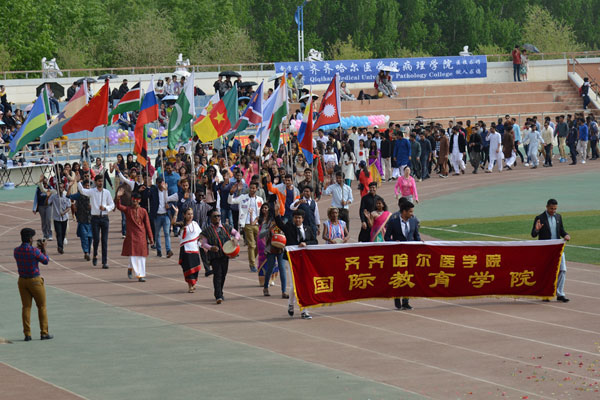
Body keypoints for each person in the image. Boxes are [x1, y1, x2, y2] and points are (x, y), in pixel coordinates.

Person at [272, 205, 318, 319]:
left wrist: (306, 243)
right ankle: (291, 305)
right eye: (296, 217)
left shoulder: (308, 229)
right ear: (293, 218)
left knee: (305, 285)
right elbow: (280, 224)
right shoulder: (289, 227)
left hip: (305, 261)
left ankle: (304, 310)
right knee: (294, 285)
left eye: (299, 218)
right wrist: (277, 214)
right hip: (291, 260)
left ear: (303, 219)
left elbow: (315, 241)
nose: (297, 220)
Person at [14, 228, 53, 341]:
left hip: (22, 280)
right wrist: (43, 249)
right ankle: (44, 333)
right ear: (30, 239)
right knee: (42, 306)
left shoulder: (16, 250)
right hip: (34, 280)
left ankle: (27, 334)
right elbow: (45, 261)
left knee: (26, 307)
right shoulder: (34, 251)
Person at [531, 199, 571, 302]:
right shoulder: (540, 218)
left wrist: (566, 235)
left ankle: (560, 294)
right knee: (546, 272)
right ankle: (545, 293)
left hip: (558, 248)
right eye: (551, 208)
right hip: (546, 250)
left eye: (555, 209)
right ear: (547, 207)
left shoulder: (558, 217)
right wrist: (537, 229)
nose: (553, 211)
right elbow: (533, 234)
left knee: (562, 270)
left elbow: (561, 230)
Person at [384, 199, 421, 310]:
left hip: (410, 254)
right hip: (398, 254)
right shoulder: (393, 222)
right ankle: (397, 297)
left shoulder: (413, 221)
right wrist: (394, 242)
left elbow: (416, 236)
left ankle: (406, 301)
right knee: (398, 275)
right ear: (404, 212)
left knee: (408, 276)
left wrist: (421, 244)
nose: (412, 214)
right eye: (410, 212)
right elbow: (387, 237)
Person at [200, 209, 240, 304]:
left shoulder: (226, 227)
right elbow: (203, 244)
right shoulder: (207, 231)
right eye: (215, 216)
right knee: (217, 275)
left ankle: (220, 291)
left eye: (218, 216)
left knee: (223, 274)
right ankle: (218, 295)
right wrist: (211, 247)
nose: (217, 218)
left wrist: (236, 238)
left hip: (225, 255)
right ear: (211, 218)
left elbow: (236, 233)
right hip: (214, 256)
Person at [116, 189, 154, 282]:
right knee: (133, 256)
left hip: (141, 236)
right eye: (133, 199)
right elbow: (119, 206)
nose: (135, 201)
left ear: (139, 200)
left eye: (136, 200)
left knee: (141, 257)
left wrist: (151, 238)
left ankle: (139, 274)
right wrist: (118, 197)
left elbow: (148, 225)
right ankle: (138, 274)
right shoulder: (128, 210)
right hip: (131, 236)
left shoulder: (143, 211)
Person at [77, 174, 115, 269]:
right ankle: (95, 255)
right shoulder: (92, 191)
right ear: (95, 182)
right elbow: (82, 191)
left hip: (104, 218)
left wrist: (105, 208)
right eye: (99, 181)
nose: (100, 183)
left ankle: (104, 262)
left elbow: (112, 205)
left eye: (101, 181)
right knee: (96, 239)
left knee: (104, 240)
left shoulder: (106, 192)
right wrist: (78, 181)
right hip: (95, 218)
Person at [228, 182, 263, 272]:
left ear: (257, 189)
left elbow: (262, 212)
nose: (252, 190)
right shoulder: (243, 197)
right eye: (250, 188)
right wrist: (231, 193)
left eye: (254, 188)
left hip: (257, 224)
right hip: (247, 224)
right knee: (251, 244)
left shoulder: (260, 199)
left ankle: (252, 258)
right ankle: (252, 264)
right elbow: (230, 201)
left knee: (258, 245)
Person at [172, 207, 202, 293]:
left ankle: (193, 282)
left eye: (191, 214)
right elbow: (173, 223)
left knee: (196, 268)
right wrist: (176, 213)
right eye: (188, 214)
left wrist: (203, 245)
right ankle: (190, 286)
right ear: (184, 215)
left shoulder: (195, 224)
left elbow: (200, 235)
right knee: (188, 268)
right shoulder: (183, 224)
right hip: (185, 250)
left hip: (194, 249)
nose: (190, 216)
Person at [67, 179, 93, 260]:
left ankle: (88, 252)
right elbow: (68, 196)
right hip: (82, 220)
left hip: (91, 221)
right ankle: (86, 252)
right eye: (86, 186)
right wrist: (69, 187)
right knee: (84, 237)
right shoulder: (79, 195)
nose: (87, 187)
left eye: (88, 186)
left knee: (90, 238)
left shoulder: (93, 194)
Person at [47, 182, 70, 254]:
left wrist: (64, 212)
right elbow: (47, 203)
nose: (60, 189)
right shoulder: (53, 197)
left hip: (64, 218)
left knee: (63, 233)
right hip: (56, 218)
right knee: (59, 233)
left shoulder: (66, 197)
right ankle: (60, 247)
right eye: (59, 187)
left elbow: (68, 207)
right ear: (56, 189)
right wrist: (48, 196)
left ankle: (61, 245)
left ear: (63, 189)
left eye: (62, 187)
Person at [33, 175, 53, 241]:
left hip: (48, 206)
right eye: (43, 180)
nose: (45, 181)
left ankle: (50, 234)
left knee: (48, 220)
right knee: (43, 221)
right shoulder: (38, 188)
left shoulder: (50, 188)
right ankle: (45, 234)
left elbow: (53, 196)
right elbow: (36, 198)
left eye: (45, 180)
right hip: (41, 206)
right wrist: (34, 208)